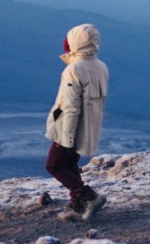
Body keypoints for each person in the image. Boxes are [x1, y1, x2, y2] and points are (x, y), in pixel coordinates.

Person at [45, 23, 110, 221]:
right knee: (71, 166)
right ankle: (77, 206)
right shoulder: (100, 66)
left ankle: (89, 196)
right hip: (89, 126)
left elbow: (70, 106)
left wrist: (67, 134)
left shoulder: (74, 70)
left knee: (54, 165)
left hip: (70, 127)